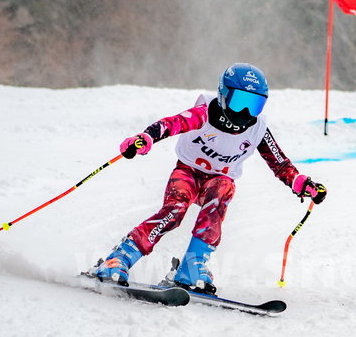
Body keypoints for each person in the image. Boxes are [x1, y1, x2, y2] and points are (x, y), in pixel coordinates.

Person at [93, 62, 326, 294]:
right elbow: (170, 124)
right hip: (188, 172)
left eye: (254, 105)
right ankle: (120, 257)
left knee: (222, 192)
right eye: (240, 102)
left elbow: (280, 163)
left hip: (218, 181)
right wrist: (144, 139)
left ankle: (192, 266)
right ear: (223, 95)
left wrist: (302, 184)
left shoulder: (257, 129)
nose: (245, 113)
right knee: (174, 211)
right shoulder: (204, 114)